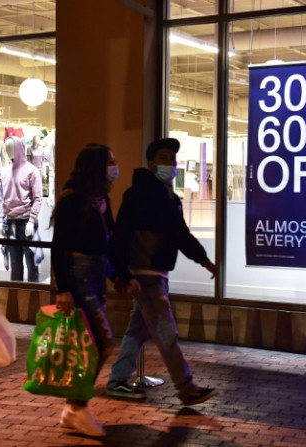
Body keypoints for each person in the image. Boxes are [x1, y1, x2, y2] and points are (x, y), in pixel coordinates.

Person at [106, 137, 218, 406]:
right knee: (166, 331)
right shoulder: (139, 194)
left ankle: (117, 380)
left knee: (138, 330)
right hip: (146, 275)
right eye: (164, 158)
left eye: (173, 159)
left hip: (156, 274)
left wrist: (203, 260)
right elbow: (120, 235)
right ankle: (187, 388)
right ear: (151, 162)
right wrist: (123, 273)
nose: (171, 163)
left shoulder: (170, 198)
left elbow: (181, 235)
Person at [50, 143, 119, 437]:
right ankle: (77, 408)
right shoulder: (72, 200)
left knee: (89, 346)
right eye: (109, 162)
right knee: (102, 343)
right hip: (79, 276)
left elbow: (108, 240)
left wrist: (117, 273)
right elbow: (58, 247)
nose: (114, 168)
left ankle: (73, 408)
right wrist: (63, 289)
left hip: (97, 272)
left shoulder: (100, 199)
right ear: (94, 166)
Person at [0, 136, 42, 282]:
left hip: (26, 220)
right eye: (7, 147)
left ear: (19, 148)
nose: (8, 150)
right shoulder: (3, 172)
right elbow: (1, 199)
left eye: (11, 147)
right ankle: (15, 303)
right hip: (10, 223)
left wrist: (31, 220)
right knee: (15, 266)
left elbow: (38, 198)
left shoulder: (32, 171)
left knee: (32, 265)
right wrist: (1, 221)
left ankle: (33, 302)